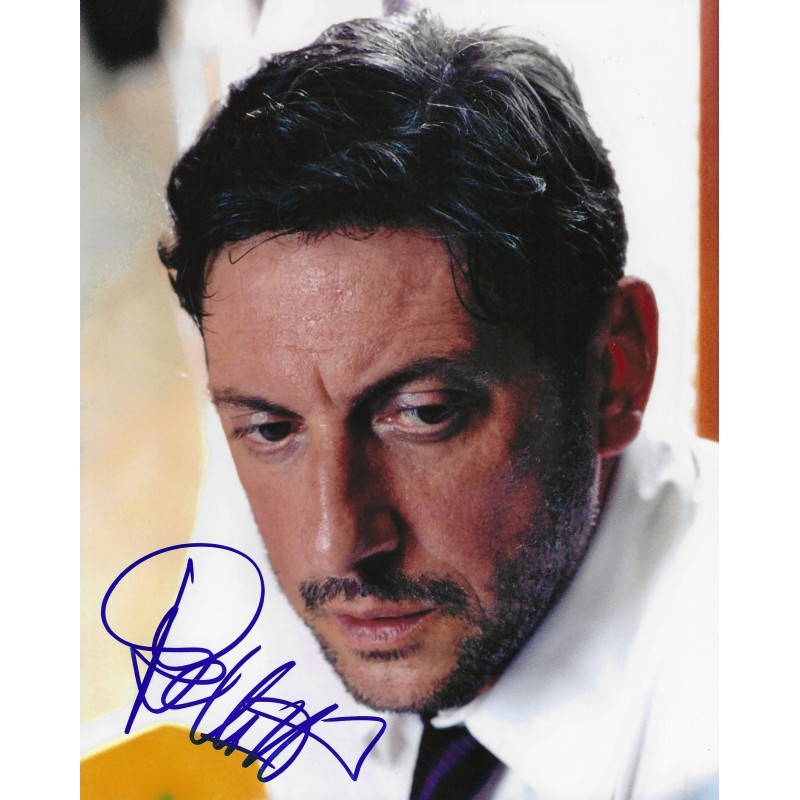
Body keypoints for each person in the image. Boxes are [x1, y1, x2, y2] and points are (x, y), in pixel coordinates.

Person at [158, 10, 717, 799]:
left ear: (613, 372)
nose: (337, 544)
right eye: (271, 428)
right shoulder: (270, 516)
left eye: (422, 415)